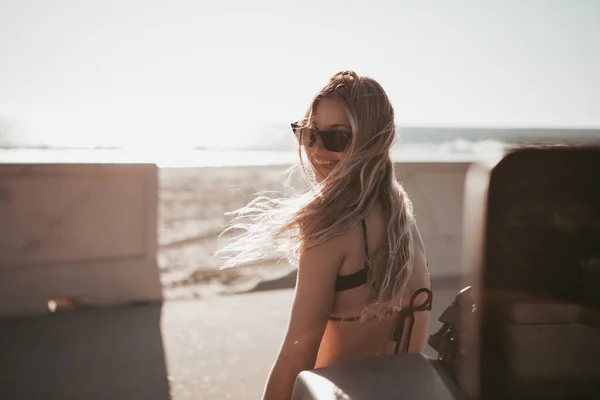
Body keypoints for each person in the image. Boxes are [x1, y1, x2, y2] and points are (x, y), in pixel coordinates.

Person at [218, 71, 432, 400]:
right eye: (309, 135)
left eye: (337, 138)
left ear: (373, 140)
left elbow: (297, 355)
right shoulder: (401, 217)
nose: (317, 151)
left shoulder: (330, 227)